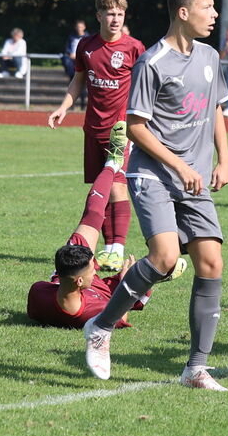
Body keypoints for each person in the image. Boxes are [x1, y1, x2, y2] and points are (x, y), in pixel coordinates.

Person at [81, 0, 228, 392]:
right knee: (164, 258)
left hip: (195, 179)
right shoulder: (152, 62)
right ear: (183, 13)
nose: (214, 14)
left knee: (211, 263)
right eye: (208, 7)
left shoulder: (209, 56)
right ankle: (100, 326)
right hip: (153, 174)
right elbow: (135, 127)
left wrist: (225, 158)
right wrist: (179, 165)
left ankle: (195, 369)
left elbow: (217, 110)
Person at [27, 124, 185, 329]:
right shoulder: (93, 312)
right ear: (80, 282)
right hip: (107, 291)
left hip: (62, 283)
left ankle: (113, 161)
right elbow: (123, 317)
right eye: (93, 268)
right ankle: (155, 275)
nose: (96, 269)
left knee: (92, 215)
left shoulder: (38, 291)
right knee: (156, 265)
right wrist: (124, 283)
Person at [48, 0, 145, 269]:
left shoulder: (134, 47)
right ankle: (108, 250)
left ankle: (117, 248)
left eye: (120, 14)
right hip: (92, 127)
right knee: (100, 191)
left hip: (120, 130)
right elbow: (78, 80)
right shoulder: (86, 45)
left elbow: (147, 86)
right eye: (111, 13)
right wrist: (64, 107)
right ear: (99, 16)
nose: (116, 19)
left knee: (116, 187)